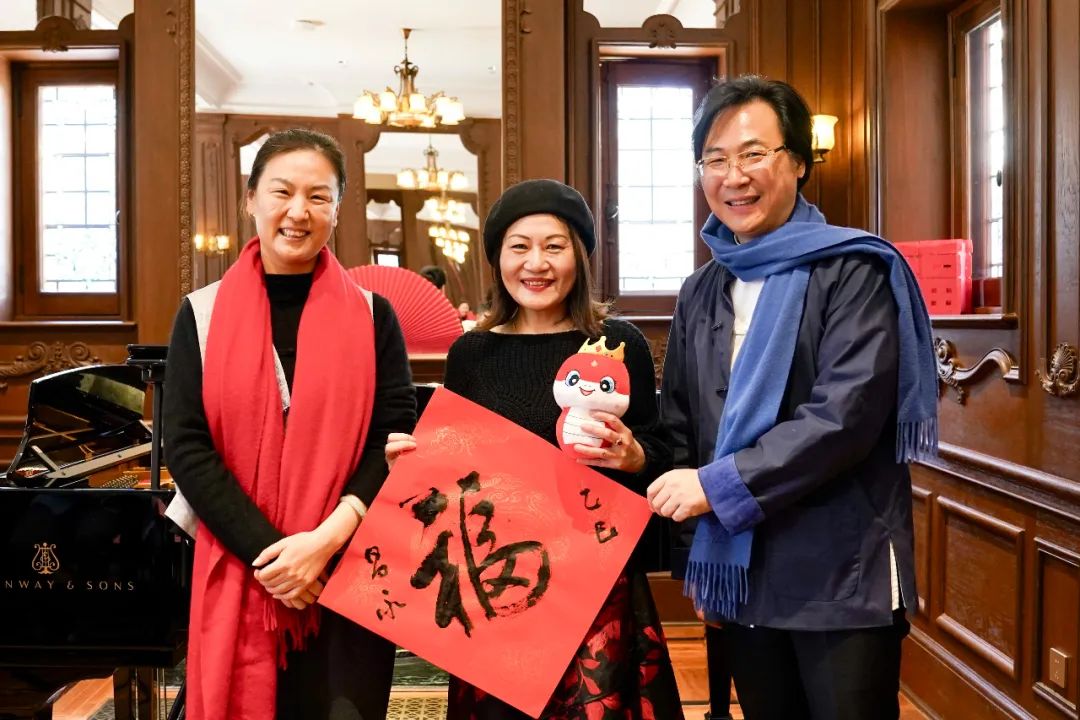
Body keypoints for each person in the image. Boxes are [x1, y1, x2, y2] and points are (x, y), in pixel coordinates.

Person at [649, 76, 939, 720]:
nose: (734, 176)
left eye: (754, 154)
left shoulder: (855, 269)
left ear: (800, 161)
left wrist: (715, 487)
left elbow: (843, 418)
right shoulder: (702, 289)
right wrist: (697, 561)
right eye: (715, 159)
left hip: (841, 570)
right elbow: (684, 428)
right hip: (740, 569)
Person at [385, 179, 684, 720]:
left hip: (595, 581)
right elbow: (455, 474)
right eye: (519, 246)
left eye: (554, 246)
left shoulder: (619, 345)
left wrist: (635, 456)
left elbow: (661, 456)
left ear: (580, 256)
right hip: (499, 582)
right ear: (498, 258)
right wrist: (409, 467)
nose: (536, 263)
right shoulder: (472, 352)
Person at [163, 128, 416, 720]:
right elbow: (188, 447)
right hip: (243, 564)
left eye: (318, 196)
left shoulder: (374, 316)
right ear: (250, 199)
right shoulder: (200, 314)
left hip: (349, 568)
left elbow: (393, 435)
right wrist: (276, 559)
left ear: (337, 210)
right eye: (282, 192)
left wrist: (322, 544)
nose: (299, 211)